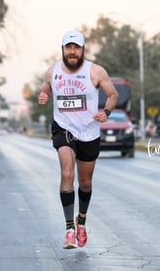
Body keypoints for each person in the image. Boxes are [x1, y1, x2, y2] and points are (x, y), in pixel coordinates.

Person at [38, 30, 119, 249]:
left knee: (85, 182)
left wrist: (107, 112)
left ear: (83, 50)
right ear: (63, 49)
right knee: (66, 173)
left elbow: (113, 95)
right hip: (64, 128)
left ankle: (80, 221)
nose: (72, 52)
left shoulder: (95, 71)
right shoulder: (52, 71)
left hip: (89, 132)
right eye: (68, 47)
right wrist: (44, 94)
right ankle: (69, 230)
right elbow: (46, 86)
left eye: (76, 47)